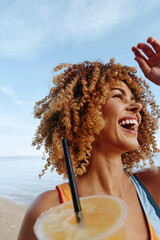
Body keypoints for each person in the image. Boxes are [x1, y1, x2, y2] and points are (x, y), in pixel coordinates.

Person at [18, 36, 160, 240]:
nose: (137, 107)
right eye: (118, 96)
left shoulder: (153, 185)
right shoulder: (49, 209)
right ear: (85, 113)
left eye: (134, 100)